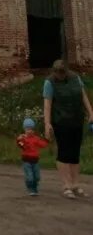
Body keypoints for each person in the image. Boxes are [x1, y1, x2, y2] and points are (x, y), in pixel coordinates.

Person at [43, 58, 93, 199]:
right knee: (64, 153)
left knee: (75, 153)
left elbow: (83, 96)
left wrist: (91, 112)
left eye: (62, 73)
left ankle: (76, 184)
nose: (60, 75)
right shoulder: (49, 82)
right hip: (61, 121)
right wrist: (47, 124)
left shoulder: (75, 78)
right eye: (57, 73)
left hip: (76, 120)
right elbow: (47, 104)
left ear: (66, 71)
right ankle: (66, 185)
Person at [16, 118, 48, 196]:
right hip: (26, 160)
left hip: (35, 161)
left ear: (33, 130)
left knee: (37, 177)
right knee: (30, 177)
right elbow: (21, 146)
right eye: (27, 129)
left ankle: (35, 188)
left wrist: (47, 139)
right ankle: (30, 188)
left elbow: (43, 144)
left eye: (31, 129)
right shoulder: (23, 139)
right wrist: (19, 140)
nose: (29, 131)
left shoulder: (36, 139)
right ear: (24, 129)